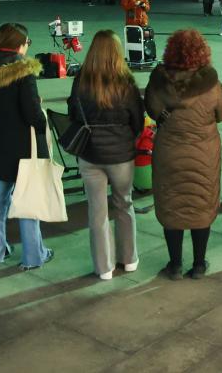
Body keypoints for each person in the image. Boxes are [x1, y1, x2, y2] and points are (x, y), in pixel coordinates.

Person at [145, 29, 222, 279]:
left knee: (173, 204)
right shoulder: (210, 83)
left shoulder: (159, 80)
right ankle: (199, 264)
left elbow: (151, 109)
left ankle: (174, 265)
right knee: (200, 203)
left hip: (169, 152)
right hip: (204, 152)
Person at [0, 23, 54, 269]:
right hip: (23, 142)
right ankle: (33, 255)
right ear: (20, 44)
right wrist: (43, 122)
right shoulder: (22, 71)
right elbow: (31, 113)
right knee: (27, 199)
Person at [69, 29, 144, 279]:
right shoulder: (126, 82)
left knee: (97, 212)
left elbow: (73, 115)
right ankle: (129, 259)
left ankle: (104, 268)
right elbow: (137, 121)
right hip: (121, 154)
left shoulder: (81, 80)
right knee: (125, 203)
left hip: (90, 154)